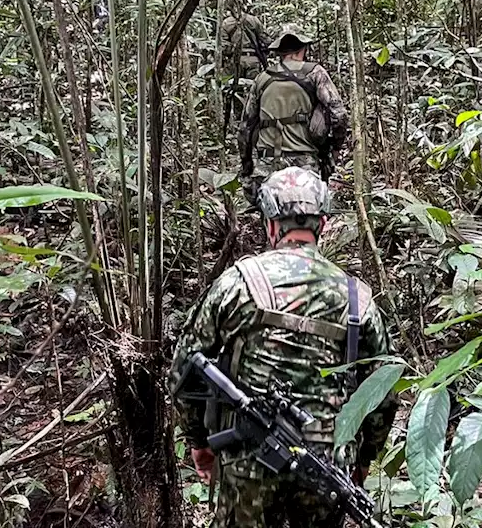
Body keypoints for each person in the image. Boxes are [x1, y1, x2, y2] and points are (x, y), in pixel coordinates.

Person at [169, 167, 396, 528]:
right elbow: (382, 393)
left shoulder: (236, 284)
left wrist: (198, 441)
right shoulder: (358, 298)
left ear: (271, 224)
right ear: (322, 223)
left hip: (248, 464)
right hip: (326, 461)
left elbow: (184, 368)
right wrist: (364, 457)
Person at [238, 24, 348, 202]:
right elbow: (339, 114)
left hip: (267, 164)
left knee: (266, 211)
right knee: (312, 210)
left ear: (280, 51)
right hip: (305, 163)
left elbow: (245, 128)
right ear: (303, 48)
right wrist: (334, 150)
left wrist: (247, 165)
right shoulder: (315, 73)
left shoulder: (262, 79)